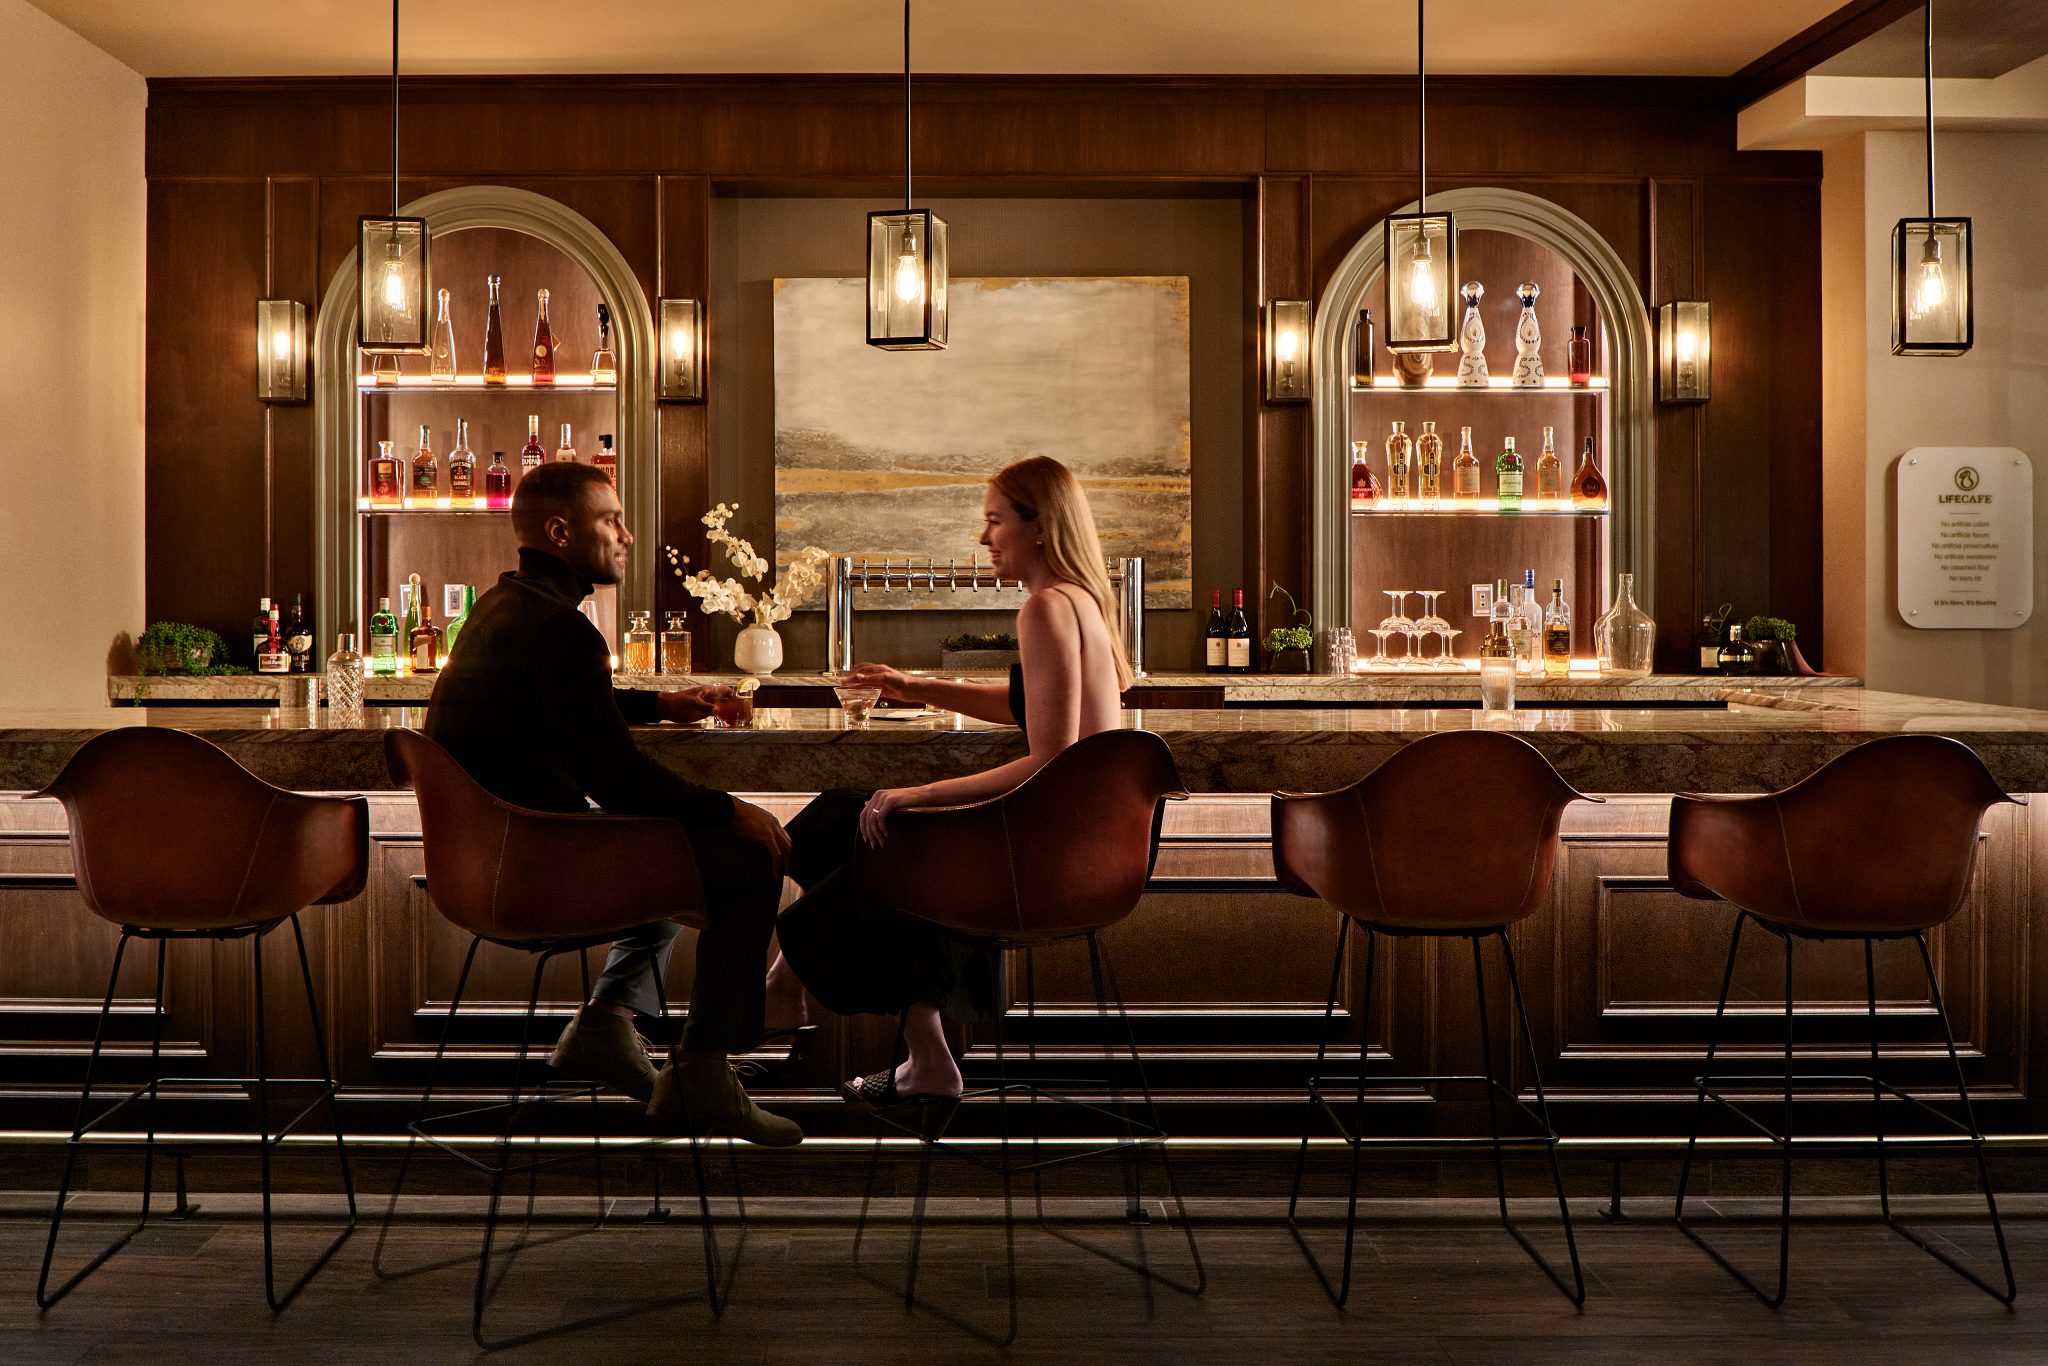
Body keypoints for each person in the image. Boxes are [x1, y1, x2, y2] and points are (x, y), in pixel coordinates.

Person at [425, 461, 801, 1147]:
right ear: (562, 531)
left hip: (492, 862)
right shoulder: (562, 629)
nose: (627, 535)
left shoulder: (505, 607)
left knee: (665, 847)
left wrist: (656, 703)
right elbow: (617, 777)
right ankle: (705, 1071)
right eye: (611, 521)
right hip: (540, 871)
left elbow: (562, 709)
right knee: (744, 857)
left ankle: (604, 1022)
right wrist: (730, 810)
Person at [769, 455, 1136, 1118]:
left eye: (995, 520)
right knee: (844, 817)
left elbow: (1050, 756)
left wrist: (917, 795)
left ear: (1041, 528)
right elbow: (1032, 705)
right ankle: (906, 1042)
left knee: (889, 833)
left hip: (1043, 864)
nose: (983, 536)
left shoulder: (1046, 608)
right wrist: (913, 685)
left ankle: (791, 984)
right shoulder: (1080, 602)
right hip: (1084, 849)